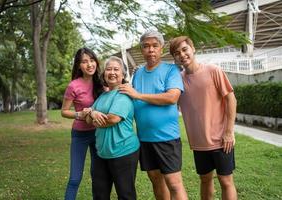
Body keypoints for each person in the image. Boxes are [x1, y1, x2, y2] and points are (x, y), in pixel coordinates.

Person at [119, 30, 188, 200]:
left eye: (155, 46)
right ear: (142, 49)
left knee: (174, 183)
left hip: (166, 138)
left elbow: (172, 97)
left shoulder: (171, 70)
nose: (151, 50)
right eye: (146, 46)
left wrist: (138, 95)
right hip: (144, 139)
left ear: (161, 49)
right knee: (156, 180)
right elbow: (130, 101)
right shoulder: (138, 73)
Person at [169, 36, 237, 200]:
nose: (182, 55)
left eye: (185, 49)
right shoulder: (178, 80)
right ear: (174, 58)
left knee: (225, 180)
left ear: (193, 49)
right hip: (199, 143)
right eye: (177, 53)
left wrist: (229, 132)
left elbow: (231, 99)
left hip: (221, 139)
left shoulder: (213, 70)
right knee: (205, 180)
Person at [86, 56, 140, 200]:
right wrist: (92, 112)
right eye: (108, 69)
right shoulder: (102, 96)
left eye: (116, 69)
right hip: (102, 153)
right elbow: (87, 118)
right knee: (100, 194)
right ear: (104, 74)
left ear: (123, 75)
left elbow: (112, 119)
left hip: (123, 152)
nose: (112, 72)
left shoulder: (124, 95)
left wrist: (92, 115)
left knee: (125, 195)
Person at [61, 47, 104, 200]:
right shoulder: (74, 85)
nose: (89, 64)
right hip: (80, 135)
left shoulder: (102, 82)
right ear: (79, 65)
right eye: (84, 62)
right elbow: (64, 111)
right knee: (75, 178)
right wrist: (79, 114)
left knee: (98, 176)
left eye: (92, 60)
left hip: (99, 133)